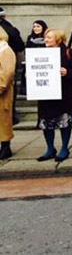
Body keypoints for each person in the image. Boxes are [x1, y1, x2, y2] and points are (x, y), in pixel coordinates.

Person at [36, 29, 72, 162]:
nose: (46, 40)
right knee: (46, 123)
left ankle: (64, 148)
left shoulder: (70, 53)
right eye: (46, 37)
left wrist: (67, 72)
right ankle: (50, 148)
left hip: (65, 94)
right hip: (46, 94)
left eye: (49, 37)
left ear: (58, 39)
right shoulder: (39, 53)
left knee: (64, 122)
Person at [0, 28, 16, 160]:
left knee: (3, 121)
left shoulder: (5, 50)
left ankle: (5, 146)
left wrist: (1, 86)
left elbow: (8, 72)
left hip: (2, 92)